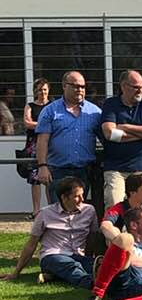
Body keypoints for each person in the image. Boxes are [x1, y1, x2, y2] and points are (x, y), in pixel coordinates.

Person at [0, 177, 98, 287]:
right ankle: (92, 284)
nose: (82, 199)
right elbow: (32, 243)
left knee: (97, 267)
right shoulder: (45, 214)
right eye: (77, 196)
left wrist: (90, 258)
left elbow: (92, 237)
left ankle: (53, 276)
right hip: (53, 256)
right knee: (69, 265)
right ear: (64, 197)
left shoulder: (89, 211)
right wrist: (16, 272)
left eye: (82, 195)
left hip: (78, 256)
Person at [34, 70, 102, 202]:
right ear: (64, 86)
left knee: (80, 210)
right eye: (76, 86)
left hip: (85, 171)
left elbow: (106, 137)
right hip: (58, 171)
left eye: (82, 87)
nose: (80, 90)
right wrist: (42, 166)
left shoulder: (95, 112)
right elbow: (42, 141)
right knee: (59, 211)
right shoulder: (50, 111)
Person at [100, 69, 142, 208]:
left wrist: (126, 127)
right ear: (123, 86)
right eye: (136, 87)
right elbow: (110, 134)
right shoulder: (111, 104)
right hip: (116, 168)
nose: (140, 91)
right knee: (114, 204)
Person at [22, 77, 50, 219]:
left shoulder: (52, 106)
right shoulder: (30, 106)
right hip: (33, 146)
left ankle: (51, 208)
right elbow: (27, 122)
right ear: (35, 91)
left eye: (44, 89)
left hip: (51, 145)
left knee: (50, 178)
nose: (42, 92)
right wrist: (45, 125)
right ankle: (36, 211)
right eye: (39, 90)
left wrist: (37, 124)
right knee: (35, 179)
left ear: (48, 90)